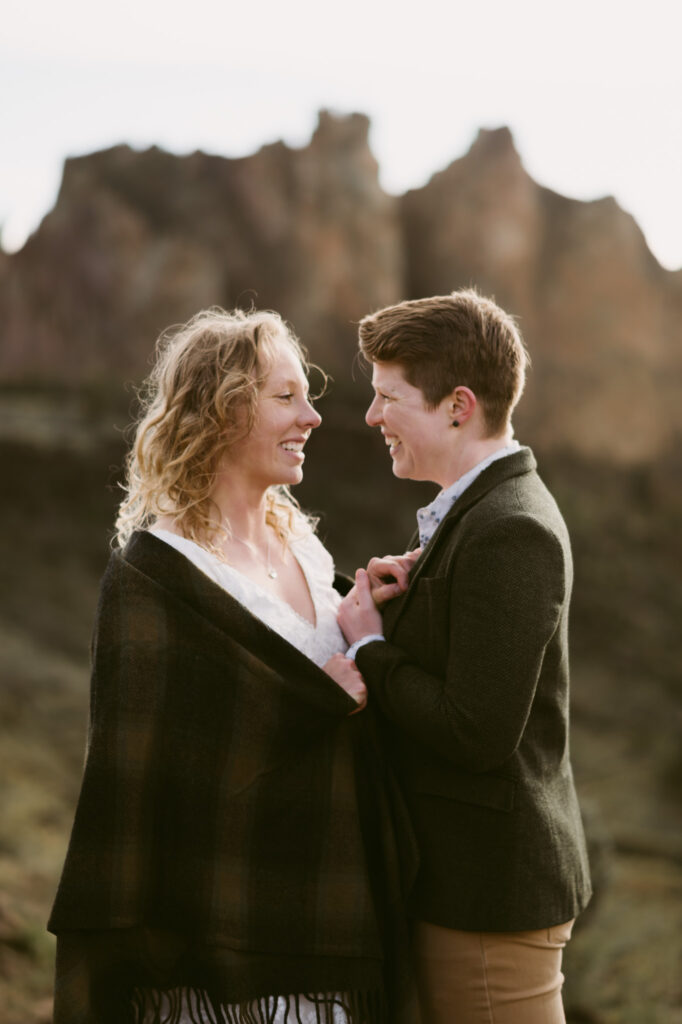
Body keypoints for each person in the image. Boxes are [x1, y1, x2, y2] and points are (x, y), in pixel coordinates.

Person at [48, 308, 417, 1024]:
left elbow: (320, 674)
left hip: (329, 926)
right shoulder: (153, 574)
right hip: (215, 951)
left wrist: (368, 611)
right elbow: (157, 769)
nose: (313, 415)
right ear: (219, 411)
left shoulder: (306, 551)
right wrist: (320, 701)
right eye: (285, 397)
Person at [338, 289, 592, 1024]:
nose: (372, 416)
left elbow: (476, 732)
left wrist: (372, 648)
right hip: (464, 886)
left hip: (490, 894)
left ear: (457, 405)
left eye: (389, 397)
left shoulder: (512, 529)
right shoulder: (476, 513)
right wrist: (390, 611)